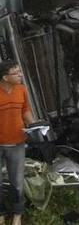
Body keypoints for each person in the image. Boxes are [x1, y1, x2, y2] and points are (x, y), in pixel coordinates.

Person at [0, 61, 35, 225]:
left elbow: (25, 110)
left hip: (17, 144)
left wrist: (34, 124)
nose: (20, 75)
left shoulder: (22, 90)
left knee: (17, 183)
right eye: (16, 73)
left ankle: (17, 215)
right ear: (6, 77)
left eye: (20, 72)